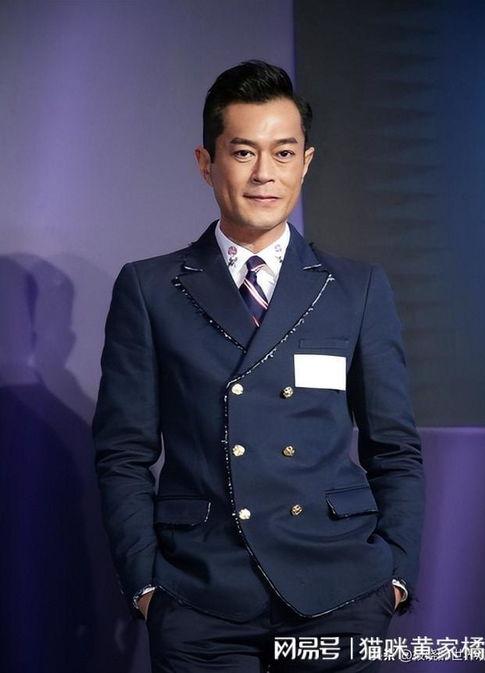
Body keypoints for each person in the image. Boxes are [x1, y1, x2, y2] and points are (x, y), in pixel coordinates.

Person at [92, 60, 425, 672]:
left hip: (341, 589)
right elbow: (123, 451)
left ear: (306, 162)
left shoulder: (356, 288)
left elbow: (395, 446)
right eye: (244, 152)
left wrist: (396, 572)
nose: (264, 173)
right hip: (201, 593)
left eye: (283, 153)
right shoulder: (150, 288)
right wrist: (146, 584)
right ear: (206, 162)